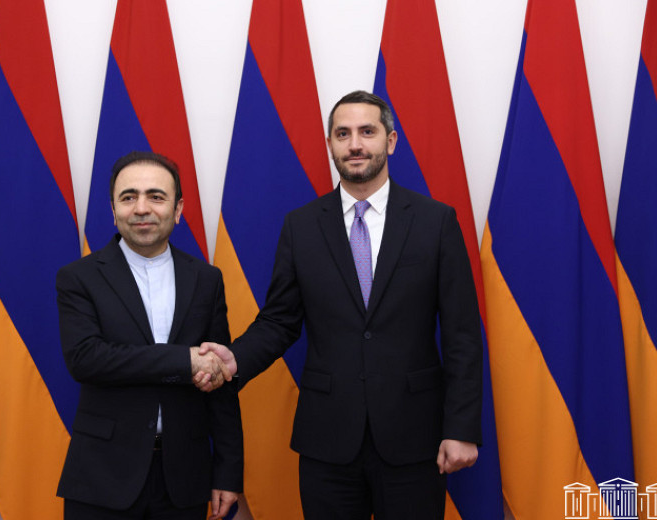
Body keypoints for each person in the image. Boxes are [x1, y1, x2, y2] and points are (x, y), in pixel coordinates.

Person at [196, 90, 482, 519]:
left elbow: (462, 334)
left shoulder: (435, 222)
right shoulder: (301, 226)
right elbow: (279, 321)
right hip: (327, 439)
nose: (355, 144)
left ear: (390, 141)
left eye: (367, 132)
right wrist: (235, 359)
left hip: (414, 436)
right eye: (343, 134)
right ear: (330, 144)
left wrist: (461, 427)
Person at [56, 151, 242, 520]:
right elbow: (86, 359)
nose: (142, 208)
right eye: (129, 197)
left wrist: (227, 471)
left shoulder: (206, 279)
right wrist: (185, 360)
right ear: (113, 210)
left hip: (184, 477)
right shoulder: (78, 277)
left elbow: (220, 380)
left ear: (178, 208)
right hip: (102, 477)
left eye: (156, 196)